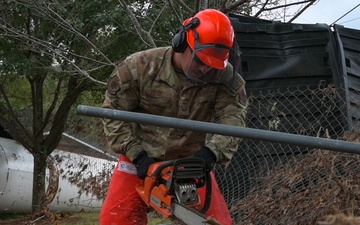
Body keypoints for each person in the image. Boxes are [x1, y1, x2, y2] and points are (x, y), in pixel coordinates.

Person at [100, 9, 248, 225]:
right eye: (200, 61)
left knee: (217, 222)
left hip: (191, 160)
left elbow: (234, 121)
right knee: (115, 220)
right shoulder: (139, 67)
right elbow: (113, 113)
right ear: (181, 42)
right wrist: (137, 155)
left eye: (213, 65)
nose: (206, 69)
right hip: (139, 158)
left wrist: (211, 153)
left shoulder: (226, 79)